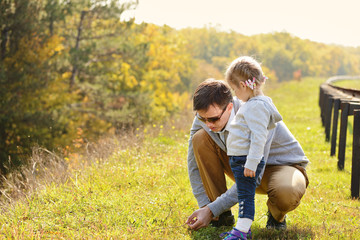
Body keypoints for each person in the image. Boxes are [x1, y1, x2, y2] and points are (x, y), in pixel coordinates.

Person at [185, 75, 309, 233]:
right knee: (200, 138)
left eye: (214, 119)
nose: (209, 125)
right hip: (243, 164)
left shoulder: (255, 114)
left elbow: (253, 177)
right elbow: (193, 162)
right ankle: (221, 216)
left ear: (229, 107)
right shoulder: (206, 118)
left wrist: (209, 210)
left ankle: (276, 215)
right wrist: (205, 205)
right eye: (203, 118)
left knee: (285, 193)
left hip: (281, 167)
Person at [219, 56, 282, 239]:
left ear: (243, 85)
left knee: (246, 197)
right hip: (241, 158)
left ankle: (241, 232)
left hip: (245, 159)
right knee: (244, 194)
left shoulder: (255, 107)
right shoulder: (254, 104)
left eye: (234, 89)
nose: (235, 94)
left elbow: (259, 137)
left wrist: (251, 163)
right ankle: (243, 228)